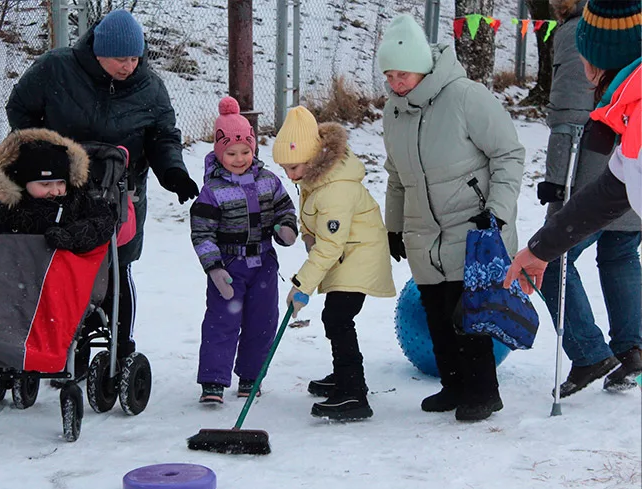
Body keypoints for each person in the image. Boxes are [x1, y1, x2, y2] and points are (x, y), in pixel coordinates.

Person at [5, 9, 198, 359]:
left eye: (135, 57)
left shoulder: (149, 87)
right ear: (99, 53)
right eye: (121, 58)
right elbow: (19, 107)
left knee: (116, 264)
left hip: (120, 191)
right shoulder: (57, 68)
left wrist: (174, 173)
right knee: (61, 260)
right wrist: (41, 150)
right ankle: (61, 339)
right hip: (62, 187)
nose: (129, 65)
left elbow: (163, 136)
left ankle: (119, 346)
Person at [377, 15, 525, 421]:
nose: (395, 83)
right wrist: (394, 227)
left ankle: (483, 392)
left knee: (469, 314)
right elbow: (396, 176)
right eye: (389, 75)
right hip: (424, 233)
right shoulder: (394, 112)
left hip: (472, 226)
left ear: (423, 67)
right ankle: (453, 385)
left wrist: (496, 211)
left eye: (402, 74)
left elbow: (508, 154)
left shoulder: (466, 97)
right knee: (437, 313)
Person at [505, 0, 642, 391]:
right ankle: (630, 349)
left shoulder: (574, 36)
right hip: (606, 171)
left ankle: (590, 353)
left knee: (562, 267)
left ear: (596, 63)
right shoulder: (630, 132)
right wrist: (540, 247)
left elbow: (566, 115)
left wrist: (555, 177)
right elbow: (612, 190)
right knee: (619, 254)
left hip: (583, 168)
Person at [273, 106, 396, 421]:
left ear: (313, 157)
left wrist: (301, 285)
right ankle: (343, 376)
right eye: (285, 168)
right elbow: (314, 228)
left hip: (359, 257)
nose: (290, 175)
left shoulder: (336, 189)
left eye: (294, 167)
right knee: (336, 317)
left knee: (338, 318)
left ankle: (353, 393)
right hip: (346, 256)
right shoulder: (316, 180)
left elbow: (330, 242)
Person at [190, 97, 298, 403]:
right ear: (219, 152)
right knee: (222, 321)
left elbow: (284, 209)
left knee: (262, 322)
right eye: (232, 153)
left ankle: (251, 376)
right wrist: (214, 267)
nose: (240, 158)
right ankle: (213, 380)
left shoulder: (269, 181)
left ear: (254, 148)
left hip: (263, 262)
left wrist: (285, 227)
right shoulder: (213, 191)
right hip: (229, 265)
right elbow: (202, 231)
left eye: (246, 151)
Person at [0, 128, 115, 254]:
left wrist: (72, 236)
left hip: (61, 271)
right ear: (23, 184)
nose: (55, 191)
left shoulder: (76, 199)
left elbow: (104, 222)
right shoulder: (4, 207)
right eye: (45, 184)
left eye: (60, 183)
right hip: (15, 272)